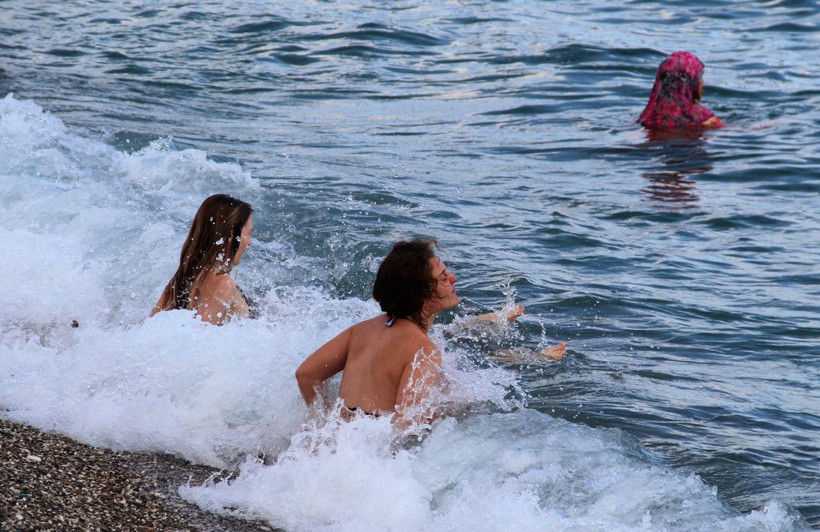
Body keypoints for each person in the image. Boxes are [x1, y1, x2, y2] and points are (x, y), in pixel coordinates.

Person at [295, 238, 566, 426]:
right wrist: (454, 413)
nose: (453, 279)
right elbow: (407, 422)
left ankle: (499, 327)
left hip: (343, 445)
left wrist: (326, 422)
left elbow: (306, 374)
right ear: (422, 295)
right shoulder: (422, 350)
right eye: (442, 278)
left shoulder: (362, 330)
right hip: (368, 464)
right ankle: (535, 357)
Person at [150, 194, 254, 325]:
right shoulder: (223, 283)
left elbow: (148, 325)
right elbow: (202, 335)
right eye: (249, 233)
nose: (249, 242)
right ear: (231, 235)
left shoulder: (181, 279)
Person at [638, 51, 725, 130]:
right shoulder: (702, 118)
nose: (702, 83)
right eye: (700, 77)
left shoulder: (648, 115)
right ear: (692, 84)